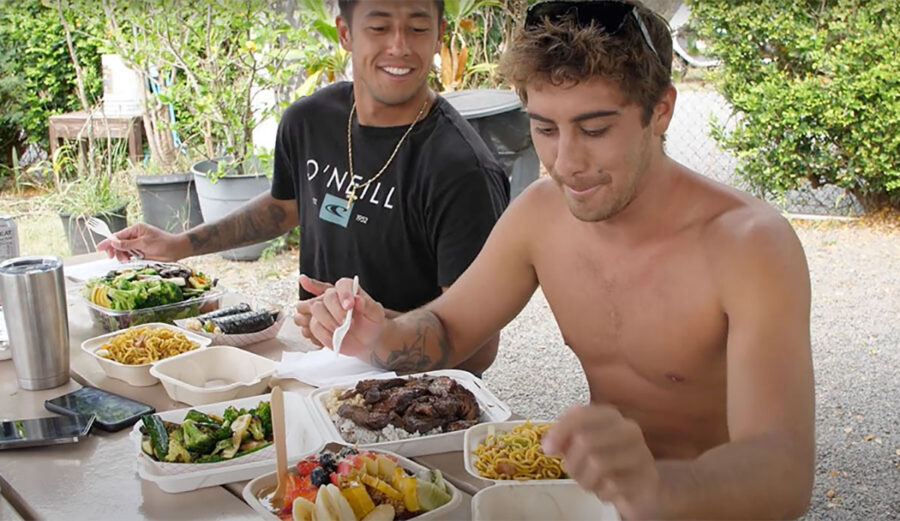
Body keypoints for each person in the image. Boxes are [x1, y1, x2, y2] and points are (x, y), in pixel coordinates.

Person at [304, 1, 815, 518]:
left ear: (660, 110)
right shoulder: (542, 213)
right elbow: (449, 329)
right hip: (589, 503)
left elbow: (784, 470)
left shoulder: (749, 244)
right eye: (545, 129)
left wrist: (659, 488)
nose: (565, 163)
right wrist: (378, 335)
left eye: (594, 130)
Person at [98, 0, 510, 374]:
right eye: (379, 27)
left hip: (421, 396)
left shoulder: (462, 170)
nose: (399, 46)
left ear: (439, 36)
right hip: (316, 370)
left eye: (418, 28)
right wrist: (179, 245)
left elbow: (478, 349)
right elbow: (285, 207)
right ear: (345, 33)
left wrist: (371, 332)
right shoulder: (310, 121)